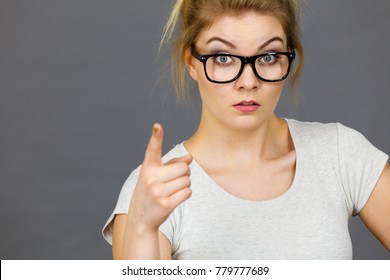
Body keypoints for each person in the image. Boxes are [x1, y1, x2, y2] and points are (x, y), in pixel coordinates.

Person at [102, 0, 390, 259]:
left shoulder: (339, 153)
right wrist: (142, 228)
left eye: (268, 57)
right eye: (223, 58)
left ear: (288, 58)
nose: (248, 82)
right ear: (191, 63)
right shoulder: (154, 189)